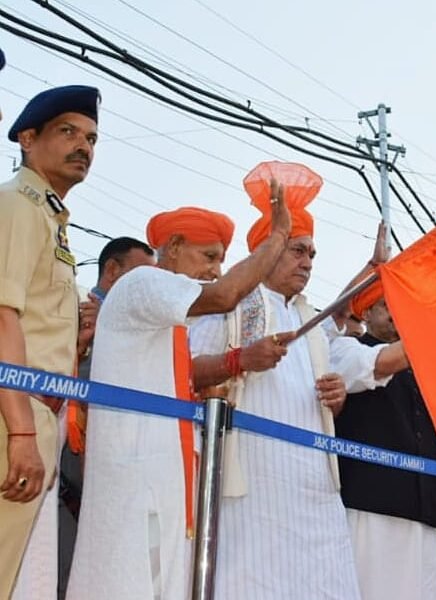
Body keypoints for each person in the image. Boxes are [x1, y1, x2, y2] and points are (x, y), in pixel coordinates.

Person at [190, 165, 408, 600]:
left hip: (314, 491)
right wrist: (239, 359)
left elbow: (337, 320)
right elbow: (187, 370)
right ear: (266, 251)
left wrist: (338, 398)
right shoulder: (229, 305)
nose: (308, 262)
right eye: (296, 251)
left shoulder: (307, 318)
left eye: (312, 254)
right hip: (253, 488)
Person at [67, 193, 292, 600]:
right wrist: (276, 238)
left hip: (163, 474)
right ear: (171, 248)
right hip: (137, 477)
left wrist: (231, 366)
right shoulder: (144, 282)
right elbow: (225, 296)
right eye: (208, 256)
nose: (215, 270)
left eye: (220, 260)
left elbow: (181, 373)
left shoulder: (163, 310)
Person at [0, 84, 100, 599]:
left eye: (90, 138)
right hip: (14, 414)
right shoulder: (19, 204)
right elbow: (1, 316)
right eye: (68, 132)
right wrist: (20, 434)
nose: (83, 145)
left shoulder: (51, 218)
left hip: (37, 412)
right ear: (27, 138)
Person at [335, 281, 436, 600]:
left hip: (430, 512)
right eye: (388, 305)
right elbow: (380, 365)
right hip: (374, 511)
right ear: (367, 312)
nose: (397, 314)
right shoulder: (346, 349)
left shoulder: (430, 367)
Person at [58, 236, 155, 599]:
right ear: (112, 272)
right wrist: (81, 342)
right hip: (63, 479)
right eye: (139, 279)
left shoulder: (134, 329)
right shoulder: (72, 313)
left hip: (109, 485)